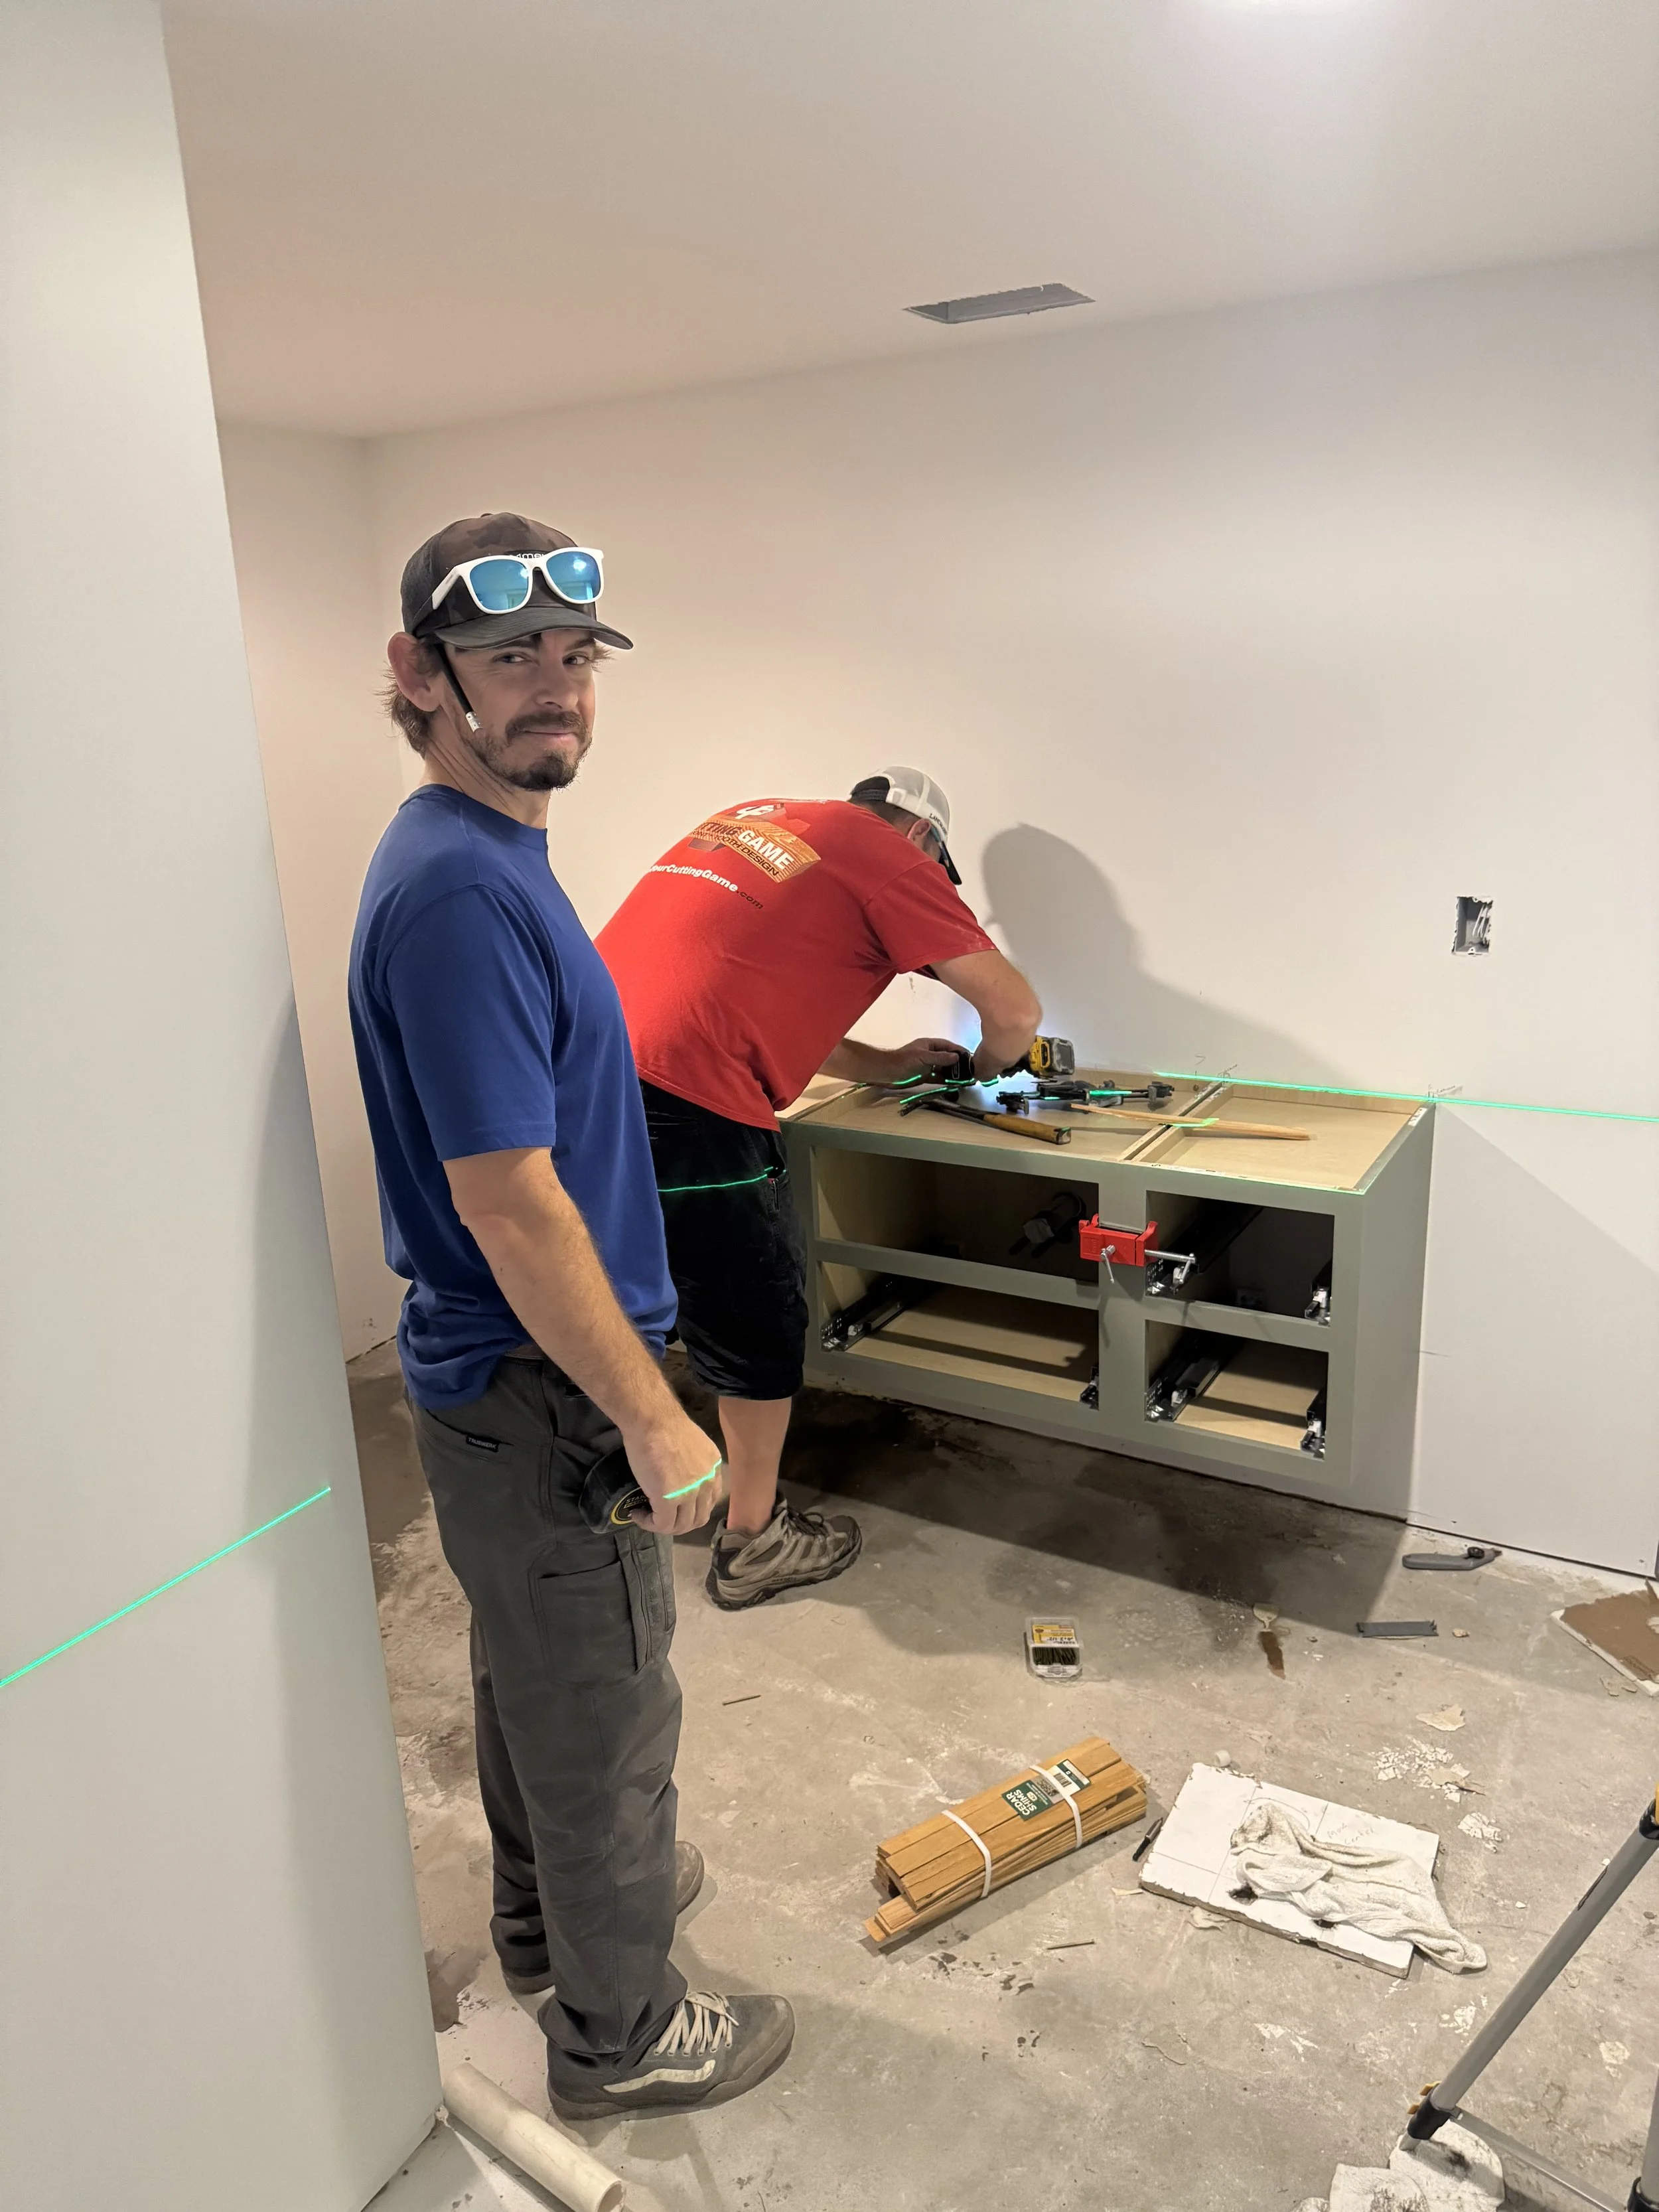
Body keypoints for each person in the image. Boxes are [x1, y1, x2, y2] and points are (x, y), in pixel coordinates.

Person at [349, 512, 793, 2119]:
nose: (556, 689)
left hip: (510, 1382)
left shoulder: (485, 857)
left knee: (538, 1682)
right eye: (507, 657)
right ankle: (620, 2037)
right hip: (543, 1386)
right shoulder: (462, 895)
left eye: (573, 656)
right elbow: (510, 1202)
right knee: (604, 1712)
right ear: (420, 676)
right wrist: (653, 1413)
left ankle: (548, 1935)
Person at [597, 767, 1043, 1611]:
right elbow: (1015, 1014)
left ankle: (626, 1477)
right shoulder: (890, 857)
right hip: (689, 1103)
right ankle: (754, 1541)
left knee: (619, 1291)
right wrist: (983, 1079)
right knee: (754, 1314)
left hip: (576, 1079)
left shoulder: (751, 821)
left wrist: (883, 1065)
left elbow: (732, 988)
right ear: (921, 839)